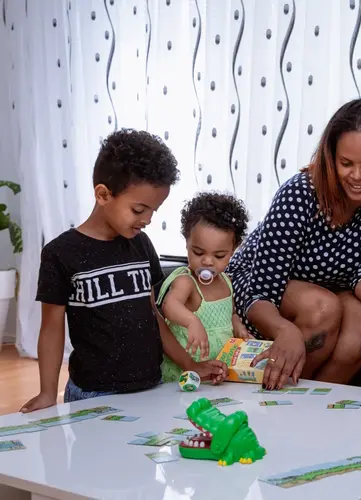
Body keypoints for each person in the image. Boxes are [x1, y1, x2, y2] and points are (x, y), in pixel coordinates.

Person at [21, 129, 227, 412]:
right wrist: (47, 392)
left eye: (154, 210)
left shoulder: (141, 245)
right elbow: (52, 328)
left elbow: (154, 315)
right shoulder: (61, 253)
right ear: (103, 194)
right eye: (139, 209)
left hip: (150, 388)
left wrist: (190, 364)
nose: (148, 220)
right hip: (92, 394)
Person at [227, 98, 361, 390]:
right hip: (259, 287)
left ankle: (312, 406)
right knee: (322, 308)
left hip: (334, 290)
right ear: (331, 157)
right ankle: (275, 403)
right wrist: (285, 330)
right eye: (345, 163)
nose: (356, 176)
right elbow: (261, 292)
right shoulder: (300, 193)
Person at [156, 192, 251, 382]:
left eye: (219, 256)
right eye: (198, 252)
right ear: (187, 242)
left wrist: (237, 324)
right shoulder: (186, 281)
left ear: (234, 250)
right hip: (182, 373)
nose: (207, 261)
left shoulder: (226, 281)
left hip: (214, 370)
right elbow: (170, 305)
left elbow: (230, 312)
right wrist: (192, 321)